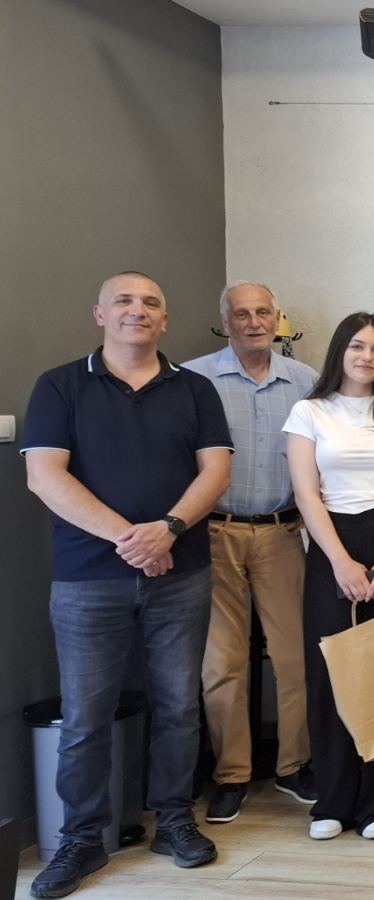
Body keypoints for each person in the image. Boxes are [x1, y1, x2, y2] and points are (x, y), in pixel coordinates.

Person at [22, 272, 232, 898]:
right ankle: (81, 839)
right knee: (85, 716)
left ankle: (174, 821)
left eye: (150, 303)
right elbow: (44, 476)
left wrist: (168, 531)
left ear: (164, 320)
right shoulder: (59, 385)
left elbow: (215, 471)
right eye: (123, 301)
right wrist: (133, 540)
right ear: (100, 314)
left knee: (178, 707)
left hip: (181, 574)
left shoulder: (194, 389)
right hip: (87, 580)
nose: (137, 311)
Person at [284, 312, 374, 842]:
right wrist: (340, 562)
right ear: (339, 352)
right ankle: (333, 799)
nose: (366, 357)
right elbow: (306, 494)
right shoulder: (309, 411)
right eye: (357, 346)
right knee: (331, 673)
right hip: (332, 543)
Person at [184, 282, 319, 826]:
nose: (254, 322)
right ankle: (232, 775)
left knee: (295, 657)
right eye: (242, 314)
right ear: (225, 321)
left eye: (263, 312)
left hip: (282, 533)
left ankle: (294, 765)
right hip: (214, 533)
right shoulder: (193, 379)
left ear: (277, 318)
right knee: (222, 663)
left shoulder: (306, 382)